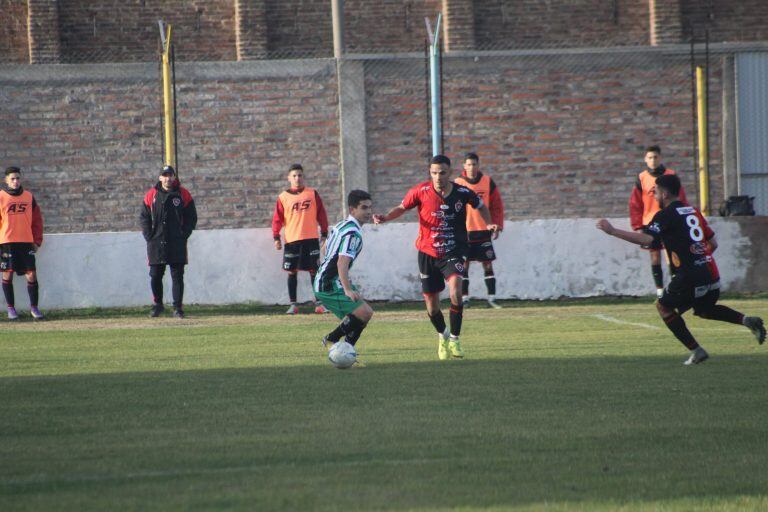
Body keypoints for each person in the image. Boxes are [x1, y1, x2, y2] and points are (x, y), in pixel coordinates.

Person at [598, 174, 765, 365]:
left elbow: (648, 239)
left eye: (656, 192)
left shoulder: (665, 215)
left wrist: (613, 231)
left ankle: (697, 350)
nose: (654, 196)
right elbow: (713, 243)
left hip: (689, 277)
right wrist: (698, 257)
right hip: (711, 274)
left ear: (665, 193)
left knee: (663, 307)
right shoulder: (693, 212)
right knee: (704, 309)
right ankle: (747, 320)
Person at [373, 155, 498, 360]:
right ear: (429, 173)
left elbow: (481, 206)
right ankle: (443, 335)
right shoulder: (420, 191)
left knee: (456, 291)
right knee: (432, 306)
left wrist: (489, 223)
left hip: (454, 251)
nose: (438, 177)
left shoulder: (462, 192)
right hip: (427, 253)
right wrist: (385, 217)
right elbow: (402, 208)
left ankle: (455, 340)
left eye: (442, 173)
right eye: (434, 173)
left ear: (449, 173)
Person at [314, 190, 374, 358]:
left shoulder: (341, 225)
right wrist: (347, 289)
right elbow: (342, 262)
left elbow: (325, 248)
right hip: (329, 284)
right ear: (352, 209)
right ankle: (331, 339)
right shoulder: (352, 233)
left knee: (364, 314)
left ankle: (346, 353)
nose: (368, 211)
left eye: (370, 207)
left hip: (329, 279)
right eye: (364, 208)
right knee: (364, 312)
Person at [629, 145, 688, 298]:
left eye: (655, 157)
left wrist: (684, 216)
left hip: (671, 219)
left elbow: (681, 197)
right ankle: (660, 290)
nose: (653, 160)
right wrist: (638, 225)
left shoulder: (670, 175)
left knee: (672, 254)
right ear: (645, 159)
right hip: (650, 221)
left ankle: (676, 286)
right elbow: (635, 203)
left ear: (660, 158)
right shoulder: (642, 178)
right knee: (655, 256)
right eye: (650, 157)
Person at [140, 165, 197, 318]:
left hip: (176, 242)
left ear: (174, 177)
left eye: (170, 175)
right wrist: (149, 235)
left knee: (177, 275)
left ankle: (177, 308)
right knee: (155, 275)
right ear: (160, 178)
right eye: (165, 175)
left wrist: (184, 234)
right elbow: (144, 217)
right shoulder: (151, 195)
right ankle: (158, 305)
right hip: (156, 242)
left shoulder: (183, 194)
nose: (168, 178)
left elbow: (192, 217)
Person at [272, 164, 329, 315]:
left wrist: (324, 233)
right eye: (295, 175)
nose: (298, 178)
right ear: (289, 178)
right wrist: (276, 237)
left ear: (304, 177)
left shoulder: (312, 194)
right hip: (292, 240)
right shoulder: (283, 197)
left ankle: (319, 304)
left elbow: (321, 214)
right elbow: (277, 219)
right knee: (292, 272)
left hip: (310, 239)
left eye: (300, 175)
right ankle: (293, 305)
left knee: (314, 272)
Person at [454, 152, 504, 309]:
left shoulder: (487, 182)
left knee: (488, 265)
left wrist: (497, 225)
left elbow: (497, 206)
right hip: (465, 232)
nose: (471, 167)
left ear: (478, 165)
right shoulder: (457, 183)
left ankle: (491, 299)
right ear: (464, 166)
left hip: (483, 230)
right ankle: (465, 298)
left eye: (474, 164)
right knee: (464, 265)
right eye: (468, 164)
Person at [0, 166, 44, 320]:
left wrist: (37, 240)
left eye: (18, 178)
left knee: (31, 274)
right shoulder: (1, 197)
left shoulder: (28, 197)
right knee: (7, 274)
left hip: (26, 241)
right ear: (6, 180)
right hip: (7, 242)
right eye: (12, 178)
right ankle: (11, 310)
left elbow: (37, 220)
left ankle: (34, 308)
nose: (15, 181)